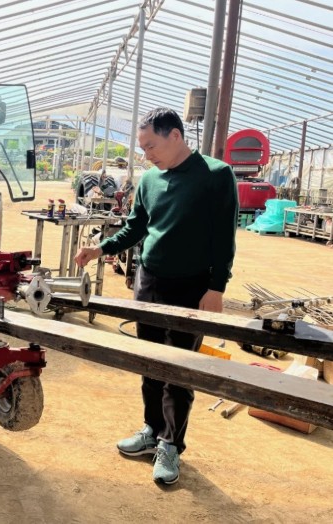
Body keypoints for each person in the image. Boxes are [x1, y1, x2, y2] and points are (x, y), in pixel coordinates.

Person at [75, 107, 238, 485]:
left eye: (151, 146)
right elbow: (136, 227)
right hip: (148, 281)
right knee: (148, 361)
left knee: (178, 369)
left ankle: (171, 443)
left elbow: (223, 238)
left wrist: (216, 287)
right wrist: (100, 249)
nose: (146, 154)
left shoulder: (215, 175)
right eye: (142, 147)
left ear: (175, 136)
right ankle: (151, 429)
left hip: (192, 286)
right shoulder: (149, 179)